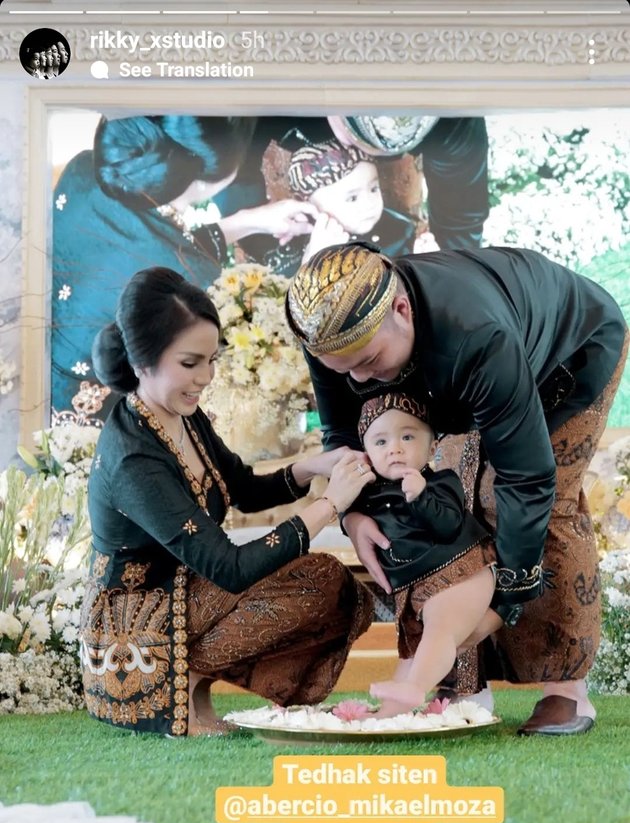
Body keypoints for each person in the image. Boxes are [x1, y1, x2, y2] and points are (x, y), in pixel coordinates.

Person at [285, 241, 629, 736]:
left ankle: (565, 689)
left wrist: (507, 597)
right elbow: (344, 436)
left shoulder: (476, 336)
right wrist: (353, 514)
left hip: (571, 351)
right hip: (458, 367)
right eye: (344, 370)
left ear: (400, 309)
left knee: (533, 502)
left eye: (368, 361)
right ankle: (461, 685)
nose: (359, 380)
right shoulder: (333, 333)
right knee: (438, 499)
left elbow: (527, 477)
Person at [80, 265, 374, 738]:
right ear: (142, 361)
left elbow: (240, 486)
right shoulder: (133, 459)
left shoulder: (182, 413)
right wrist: (330, 506)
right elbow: (229, 568)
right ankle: (178, 686)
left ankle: (197, 685)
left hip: (187, 593)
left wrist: (314, 466)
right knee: (313, 579)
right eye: (191, 363)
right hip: (133, 634)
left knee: (325, 580)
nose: (206, 377)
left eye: (212, 360)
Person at [52, 114, 318, 423]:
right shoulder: (191, 280)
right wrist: (314, 260)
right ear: (207, 180)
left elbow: (153, 241)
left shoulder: (84, 168)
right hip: (91, 412)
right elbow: (167, 255)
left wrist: (248, 221)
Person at [353, 392, 496, 718]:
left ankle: (415, 688)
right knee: (411, 649)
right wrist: (350, 514)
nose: (395, 448)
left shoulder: (441, 482)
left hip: (462, 570)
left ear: (432, 448)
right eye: (380, 441)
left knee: (439, 628)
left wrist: (421, 497)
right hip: (417, 586)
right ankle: (389, 713)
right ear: (367, 454)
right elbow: (342, 505)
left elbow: (448, 526)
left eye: (407, 436)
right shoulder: (369, 492)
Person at [221, 114, 488, 269]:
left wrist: (443, 271)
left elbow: (461, 216)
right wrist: (250, 224)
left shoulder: (453, 118)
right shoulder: (261, 96)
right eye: (354, 140)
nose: (368, 203)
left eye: (374, 189)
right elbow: (229, 174)